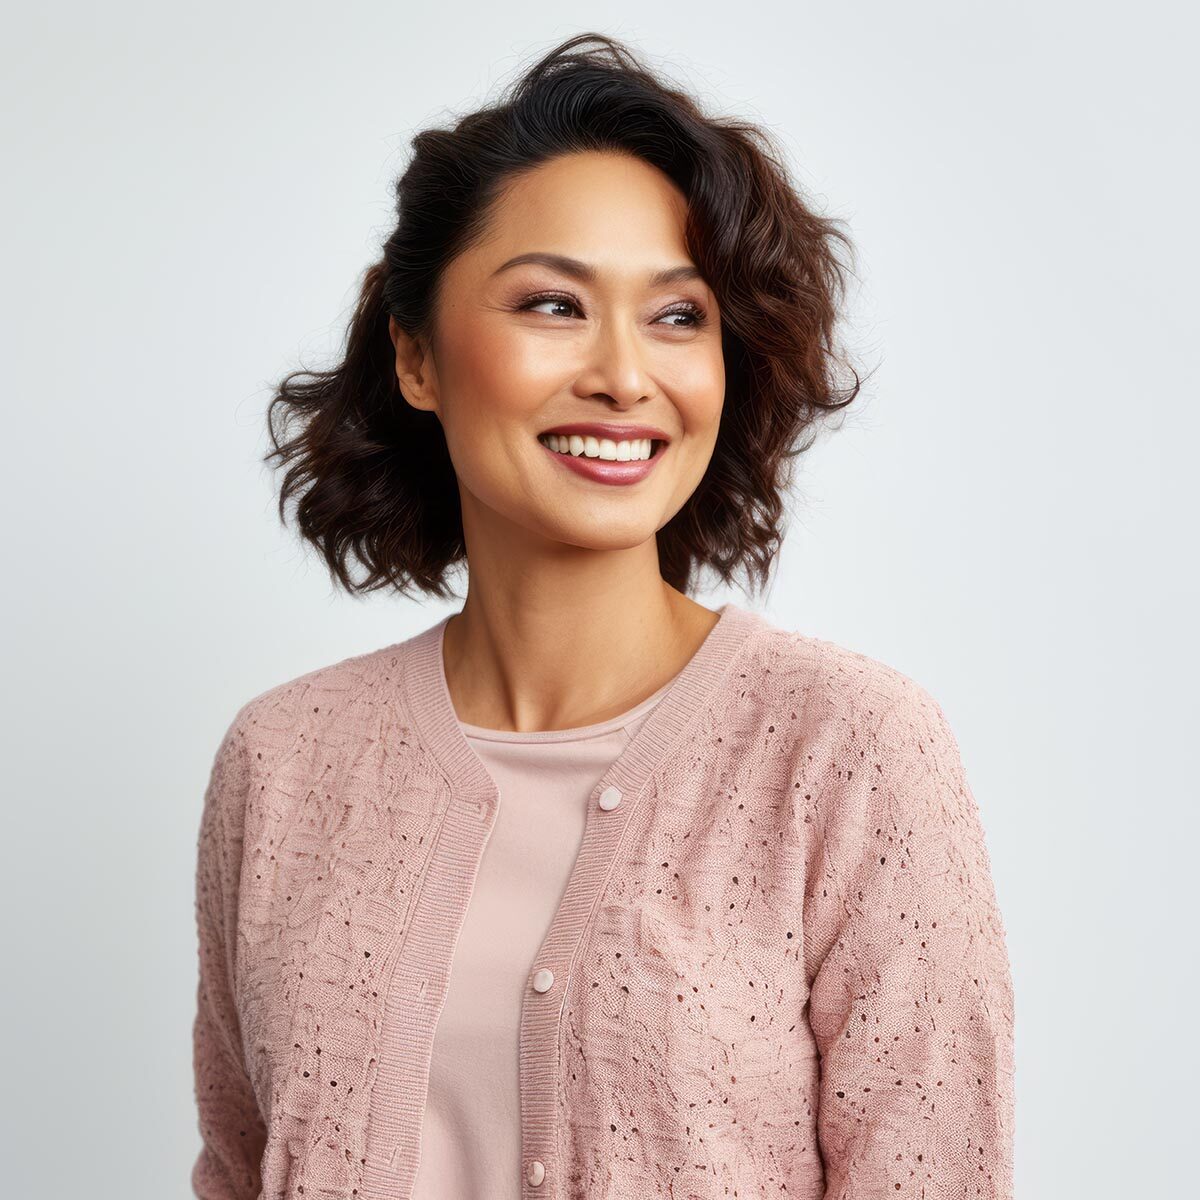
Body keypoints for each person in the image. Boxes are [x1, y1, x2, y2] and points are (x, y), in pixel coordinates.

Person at [191, 32, 1015, 1200]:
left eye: (679, 318)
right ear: (417, 356)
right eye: (552, 303)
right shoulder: (280, 765)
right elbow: (235, 1170)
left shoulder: (847, 751)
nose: (626, 375)